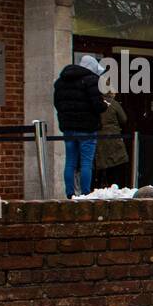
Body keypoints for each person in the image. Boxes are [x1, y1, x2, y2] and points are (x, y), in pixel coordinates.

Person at [53, 54, 108, 198]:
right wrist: (104, 105)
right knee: (86, 162)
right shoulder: (91, 80)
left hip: (68, 127)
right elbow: (98, 106)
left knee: (70, 161)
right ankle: (85, 192)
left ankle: (70, 192)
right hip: (87, 127)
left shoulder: (61, 81)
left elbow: (57, 104)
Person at [93, 85, 131, 189]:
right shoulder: (114, 104)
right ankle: (114, 187)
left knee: (99, 165)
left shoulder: (95, 103)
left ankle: (97, 188)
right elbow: (123, 119)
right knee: (115, 164)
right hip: (113, 137)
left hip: (98, 137)